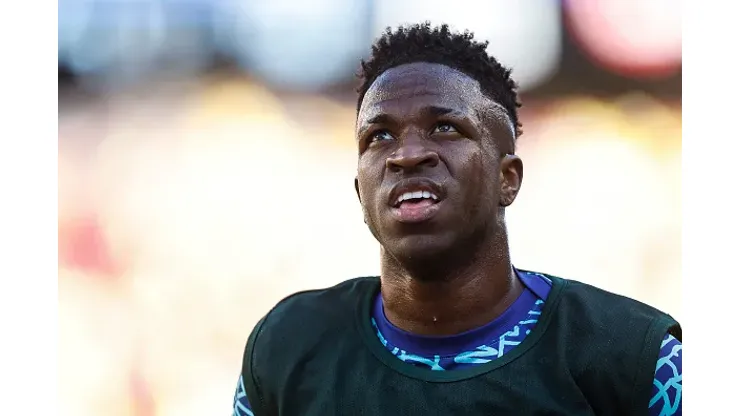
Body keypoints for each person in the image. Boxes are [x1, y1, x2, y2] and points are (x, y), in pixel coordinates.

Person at [232, 23, 682, 416]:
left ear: (508, 178)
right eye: (379, 135)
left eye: (445, 128)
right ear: (359, 191)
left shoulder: (636, 359)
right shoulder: (286, 348)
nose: (407, 155)